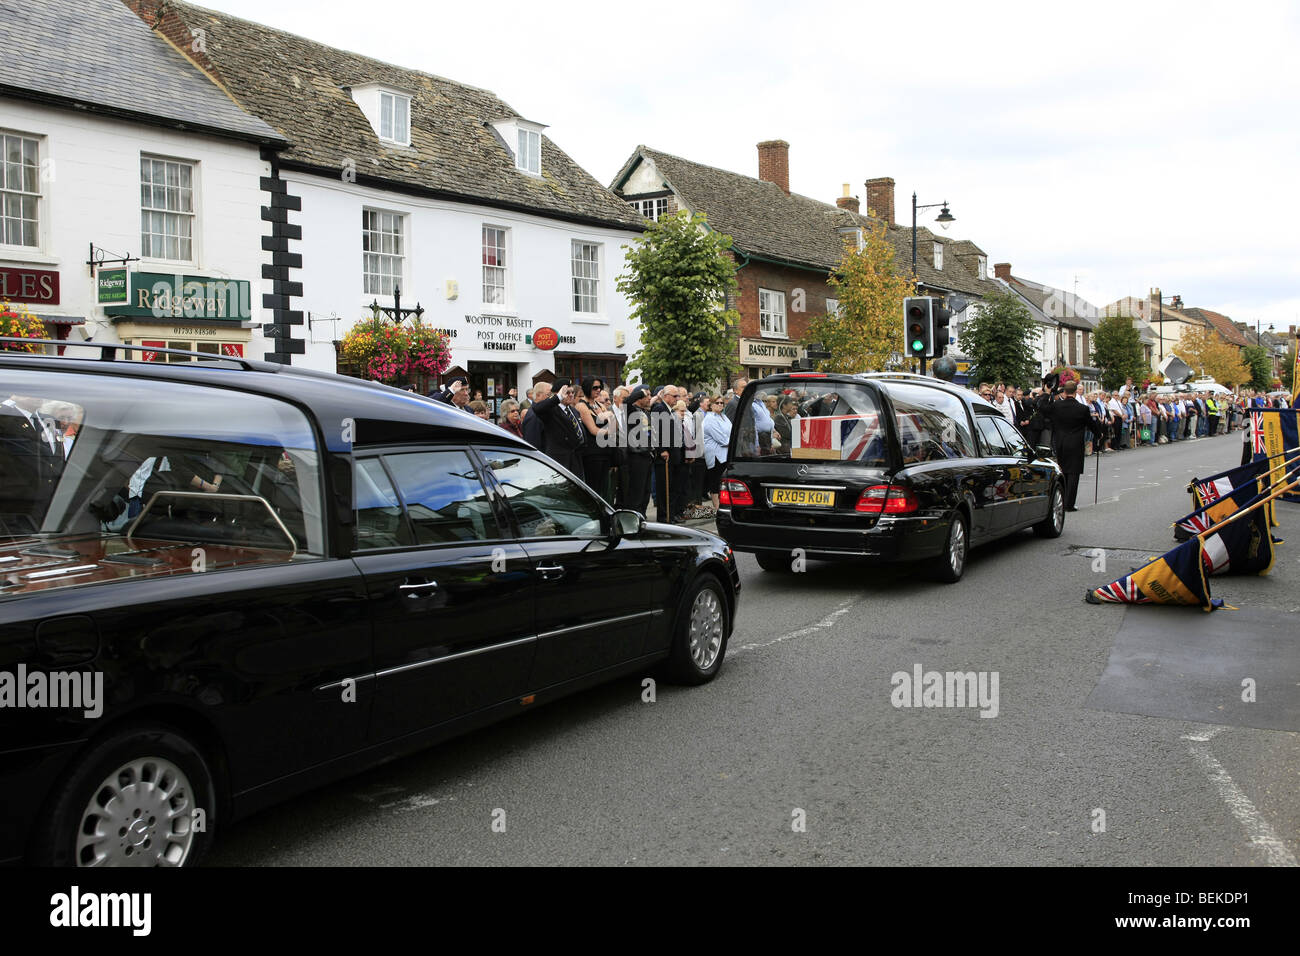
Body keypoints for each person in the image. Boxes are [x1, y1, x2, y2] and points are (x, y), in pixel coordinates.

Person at [1042, 381, 1092, 511]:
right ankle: (1069, 504)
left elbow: (1042, 408)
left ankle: (1062, 500)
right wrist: (1099, 434)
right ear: (1075, 392)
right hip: (1076, 444)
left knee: (1063, 472)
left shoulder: (1056, 406)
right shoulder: (1083, 408)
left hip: (1061, 443)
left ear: (1064, 392)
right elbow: (1092, 425)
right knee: (1073, 473)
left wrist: (1047, 393)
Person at [529, 380, 587, 480]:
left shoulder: (573, 410)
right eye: (567, 393)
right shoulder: (551, 410)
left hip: (576, 459)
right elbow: (537, 408)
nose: (571, 395)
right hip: (560, 460)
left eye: (572, 392)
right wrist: (558, 397)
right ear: (558, 393)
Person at [576, 376, 614, 504]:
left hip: (605, 451)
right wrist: (610, 430)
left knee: (604, 488)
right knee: (594, 488)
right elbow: (593, 430)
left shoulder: (599, 404)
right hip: (592, 453)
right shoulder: (582, 406)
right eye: (595, 387)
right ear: (587, 388)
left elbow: (614, 423)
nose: (598, 390)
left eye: (599, 387)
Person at [624, 386, 656, 516]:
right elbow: (625, 403)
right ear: (639, 398)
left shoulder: (645, 411)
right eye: (647, 395)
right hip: (636, 455)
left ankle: (642, 516)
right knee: (636, 490)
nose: (649, 398)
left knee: (645, 491)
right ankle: (634, 518)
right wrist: (638, 392)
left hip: (647, 454)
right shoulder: (631, 410)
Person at [701, 396, 732, 512]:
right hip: (716, 456)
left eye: (722, 403)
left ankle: (725, 505)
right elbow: (722, 440)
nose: (720, 405)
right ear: (711, 405)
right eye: (717, 403)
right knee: (715, 482)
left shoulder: (724, 417)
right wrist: (733, 442)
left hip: (726, 454)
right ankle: (718, 508)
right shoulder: (709, 419)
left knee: (724, 482)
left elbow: (732, 431)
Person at [522, 381, 551, 448]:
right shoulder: (534, 416)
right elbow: (532, 445)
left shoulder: (543, 411)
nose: (552, 398)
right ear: (538, 395)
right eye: (549, 395)